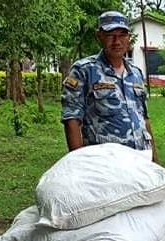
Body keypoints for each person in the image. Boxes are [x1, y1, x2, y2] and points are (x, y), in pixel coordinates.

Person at [61, 10, 158, 162]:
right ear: (99, 36)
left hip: (140, 160)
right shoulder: (84, 70)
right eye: (110, 35)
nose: (116, 41)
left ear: (129, 38)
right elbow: (72, 120)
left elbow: (144, 120)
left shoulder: (136, 74)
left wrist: (155, 162)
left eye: (122, 35)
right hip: (104, 163)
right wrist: (78, 165)